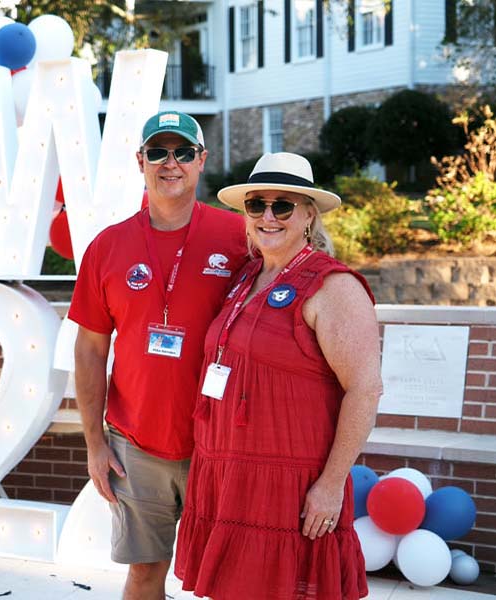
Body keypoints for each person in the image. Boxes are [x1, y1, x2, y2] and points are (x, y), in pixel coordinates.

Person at [174, 152, 383, 600]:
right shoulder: (246, 276)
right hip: (228, 476)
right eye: (257, 205)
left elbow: (365, 389)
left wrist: (330, 486)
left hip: (289, 486)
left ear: (309, 214)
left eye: (283, 205)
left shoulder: (334, 286)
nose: (268, 216)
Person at [68, 111, 248, 599]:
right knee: (145, 572)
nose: (171, 163)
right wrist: (94, 443)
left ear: (201, 161)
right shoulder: (107, 246)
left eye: (184, 152)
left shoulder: (240, 238)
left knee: (226, 577)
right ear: (140, 161)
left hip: (220, 441)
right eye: (158, 152)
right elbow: (89, 349)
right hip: (135, 443)